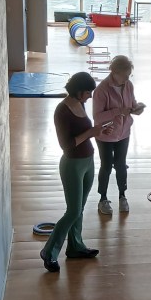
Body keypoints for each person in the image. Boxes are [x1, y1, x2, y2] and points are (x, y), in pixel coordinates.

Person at [40, 71, 107, 273]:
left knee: (80, 207)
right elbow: (67, 145)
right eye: (88, 92)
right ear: (78, 91)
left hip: (88, 161)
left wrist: (98, 131)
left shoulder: (81, 104)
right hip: (72, 165)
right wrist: (91, 132)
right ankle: (49, 252)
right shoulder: (62, 111)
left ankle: (75, 246)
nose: (90, 96)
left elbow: (84, 133)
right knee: (73, 211)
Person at [92, 54, 145, 215]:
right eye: (125, 75)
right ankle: (103, 198)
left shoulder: (128, 85)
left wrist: (137, 109)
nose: (127, 79)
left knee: (121, 165)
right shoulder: (101, 90)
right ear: (115, 73)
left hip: (124, 133)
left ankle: (123, 195)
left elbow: (132, 104)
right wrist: (118, 111)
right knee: (106, 166)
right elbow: (97, 117)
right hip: (106, 135)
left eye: (129, 75)